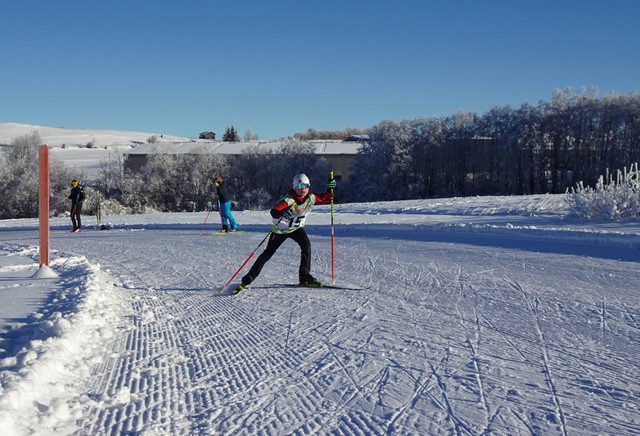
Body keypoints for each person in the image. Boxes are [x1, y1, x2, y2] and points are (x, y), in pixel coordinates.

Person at [232, 173, 337, 294]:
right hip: (280, 230)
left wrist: (331, 188)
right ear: (294, 187)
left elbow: (328, 198)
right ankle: (247, 279)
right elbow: (274, 211)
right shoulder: (289, 200)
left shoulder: (311, 198)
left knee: (306, 246)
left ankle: (304, 276)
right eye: (300, 185)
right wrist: (282, 212)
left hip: (295, 229)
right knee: (268, 254)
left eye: (305, 185)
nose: (303, 189)